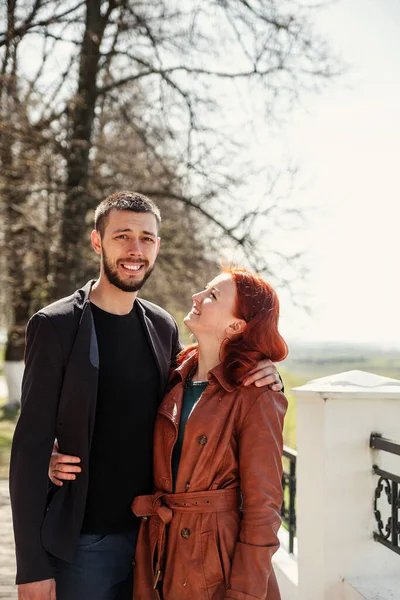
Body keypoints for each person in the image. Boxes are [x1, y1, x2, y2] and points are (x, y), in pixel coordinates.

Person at [9, 190, 283, 600]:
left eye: (147, 238)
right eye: (122, 236)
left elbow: (196, 392)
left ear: (157, 245)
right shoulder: (55, 326)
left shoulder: (162, 326)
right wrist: (31, 568)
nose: (135, 249)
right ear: (97, 241)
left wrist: (264, 367)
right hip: (84, 545)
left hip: (157, 544)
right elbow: (28, 451)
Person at [52, 266, 288, 600]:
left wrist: (246, 592)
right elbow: (115, 418)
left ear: (235, 326)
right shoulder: (173, 373)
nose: (197, 296)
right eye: (205, 288)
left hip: (214, 560)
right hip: (159, 551)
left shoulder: (256, 393)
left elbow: (264, 507)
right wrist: (53, 453)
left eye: (213, 296)